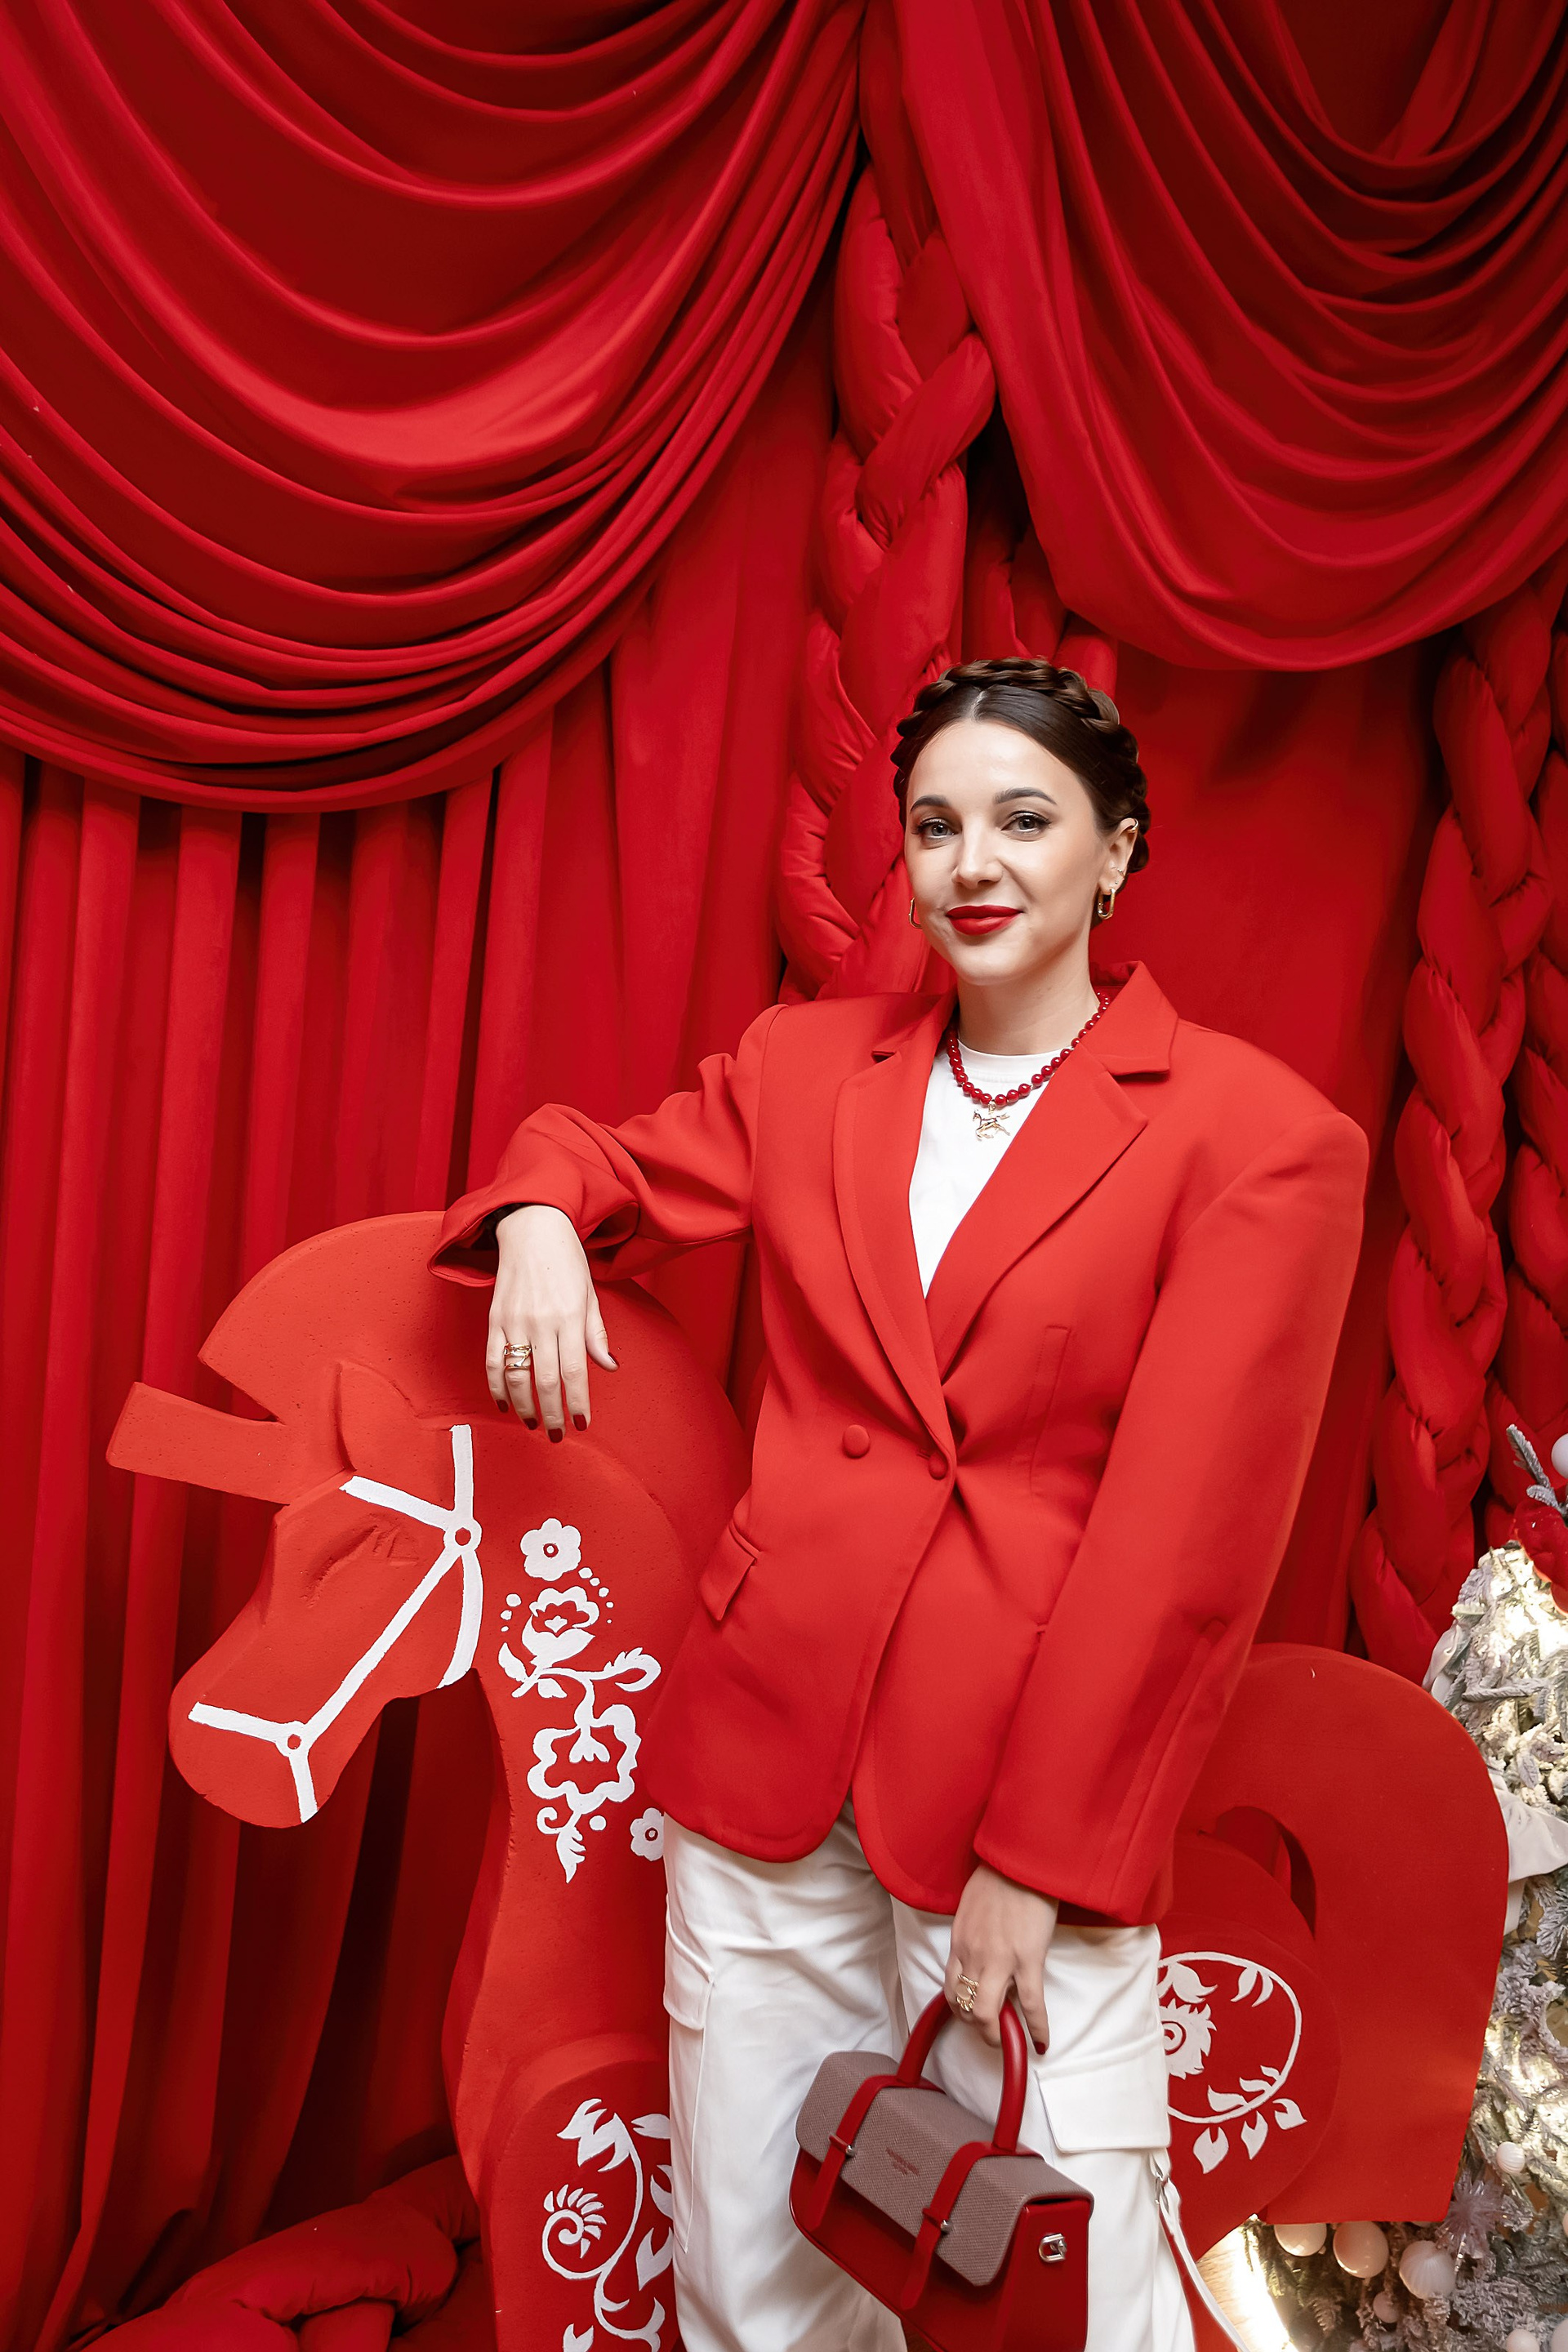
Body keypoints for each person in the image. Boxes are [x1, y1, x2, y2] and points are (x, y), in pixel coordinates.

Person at [432, 657, 1369, 2352]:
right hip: (764, 1770)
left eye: (1025, 820)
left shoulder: (1259, 1140)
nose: (973, 864)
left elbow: (1185, 1553)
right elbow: (604, 1155)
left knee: (1068, 2302)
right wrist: (544, 1221)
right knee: (750, 2281)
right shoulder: (810, 1066)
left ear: (1117, 849)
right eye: (936, 827)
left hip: (1019, 1798)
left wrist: (1041, 1864)